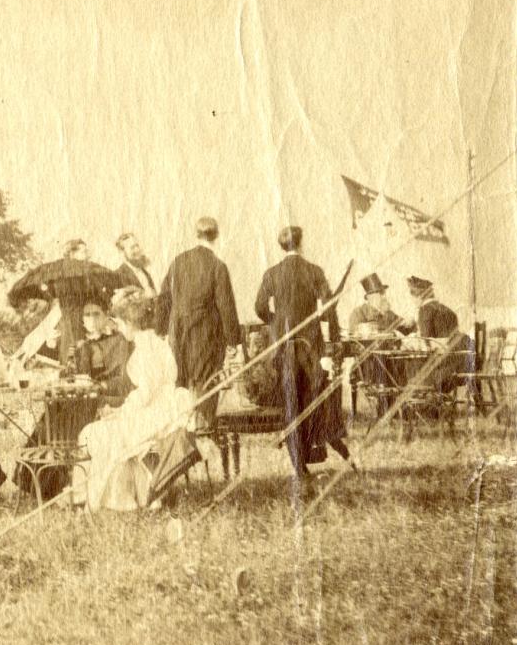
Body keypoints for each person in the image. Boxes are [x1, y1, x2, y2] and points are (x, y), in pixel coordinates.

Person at [80, 294, 197, 511]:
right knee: (104, 430)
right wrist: (121, 410)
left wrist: (121, 411)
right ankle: (133, 494)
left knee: (98, 433)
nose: (120, 329)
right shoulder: (155, 343)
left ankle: (114, 499)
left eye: (120, 323)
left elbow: (146, 394)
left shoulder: (146, 349)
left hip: (157, 414)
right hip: (159, 408)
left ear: (129, 324)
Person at [253, 227, 353, 478]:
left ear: (281, 246)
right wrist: (336, 338)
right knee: (312, 401)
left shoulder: (272, 273)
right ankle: (311, 455)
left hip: (284, 347)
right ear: (301, 243)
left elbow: (259, 307)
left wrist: (276, 321)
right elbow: (329, 309)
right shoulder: (314, 270)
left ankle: (300, 466)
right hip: (309, 347)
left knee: (291, 404)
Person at [157, 216, 240, 428]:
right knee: (207, 381)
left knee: (180, 380)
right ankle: (204, 427)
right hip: (206, 335)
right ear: (216, 236)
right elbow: (226, 306)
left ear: (196, 234)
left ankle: (183, 432)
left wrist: (160, 329)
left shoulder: (178, 261)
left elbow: (164, 296)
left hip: (179, 332)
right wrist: (233, 341)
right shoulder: (217, 266)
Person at [74, 299, 133, 404]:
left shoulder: (119, 340)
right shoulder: (80, 345)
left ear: (106, 316)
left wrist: (102, 386)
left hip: (111, 397)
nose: (92, 319)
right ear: (82, 320)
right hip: (86, 398)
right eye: (87, 315)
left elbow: (125, 379)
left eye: (96, 314)